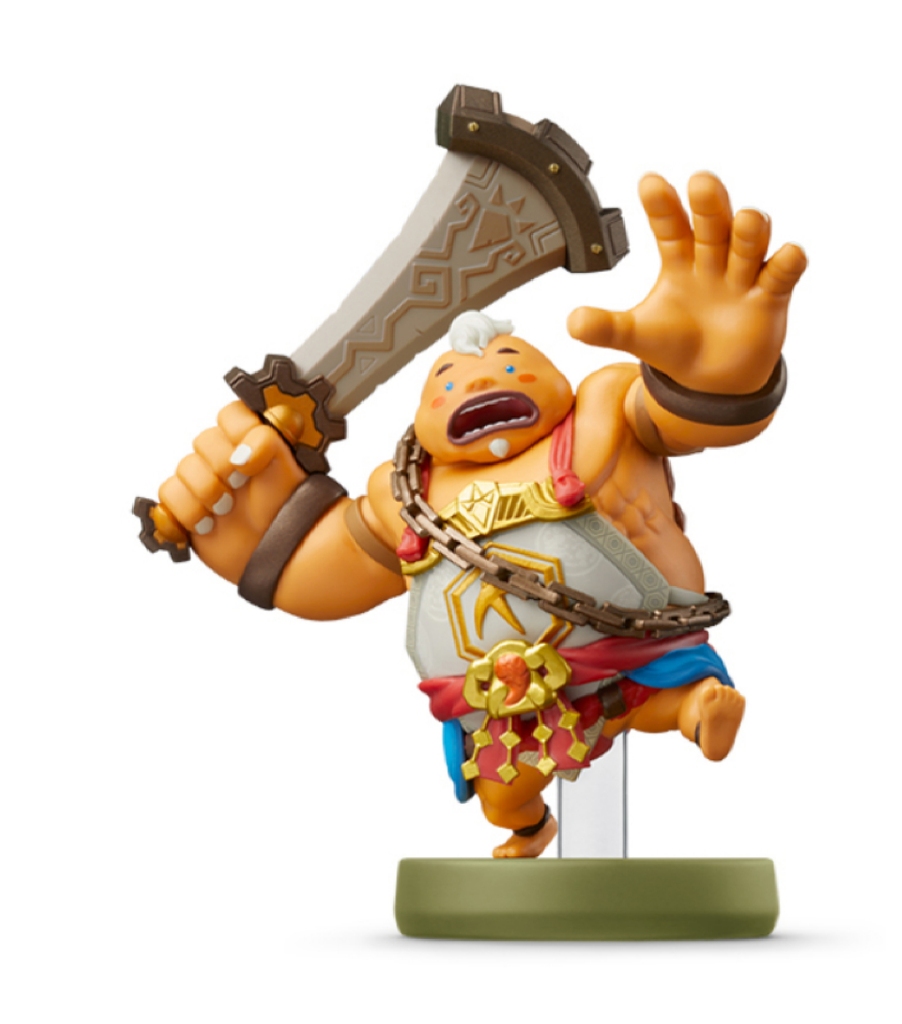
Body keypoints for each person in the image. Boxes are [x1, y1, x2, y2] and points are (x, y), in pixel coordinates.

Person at [152, 172, 807, 858]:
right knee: (503, 787)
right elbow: (324, 571)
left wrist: (714, 377)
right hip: (501, 701)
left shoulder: (604, 419)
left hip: (632, 655)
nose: (481, 380)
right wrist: (263, 547)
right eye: (448, 383)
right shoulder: (405, 491)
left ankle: (696, 712)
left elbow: (686, 415)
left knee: (663, 696)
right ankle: (527, 826)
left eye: (510, 363)